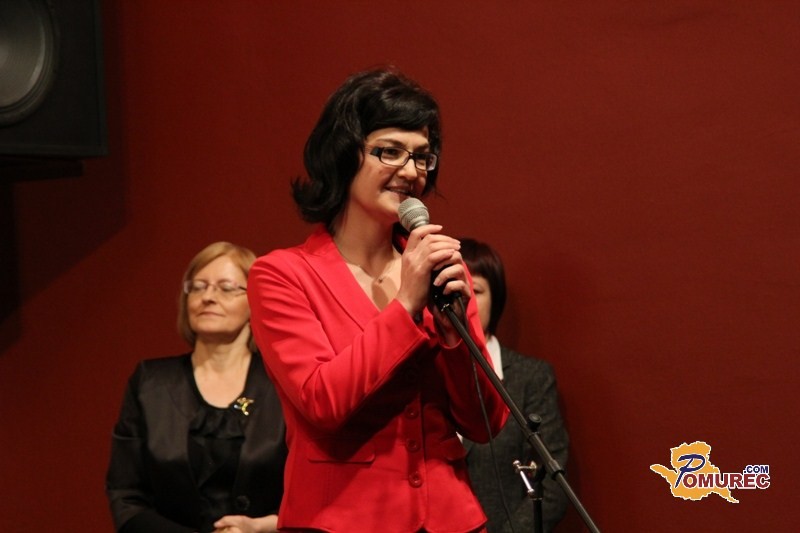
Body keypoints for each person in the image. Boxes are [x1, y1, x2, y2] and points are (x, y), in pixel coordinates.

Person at [247, 67, 509, 533]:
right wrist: (405, 304)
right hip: (340, 520)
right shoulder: (282, 275)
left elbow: (485, 424)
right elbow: (322, 402)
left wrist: (454, 340)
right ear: (342, 155)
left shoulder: (442, 270)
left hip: (449, 520)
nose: (410, 172)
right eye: (390, 151)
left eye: (422, 157)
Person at [106, 242, 287, 533]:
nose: (208, 297)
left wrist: (262, 528)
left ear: (255, 300)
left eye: (226, 288)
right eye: (198, 287)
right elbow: (125, 497)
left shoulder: (281, 383)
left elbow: (312, 493)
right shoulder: (151, 382)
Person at [459, 238, 570, 533]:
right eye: (456, 287)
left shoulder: (530, 378)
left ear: (495, 300)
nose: (464, 299)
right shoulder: (419, 371)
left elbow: (554, 485)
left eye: (476, 290)